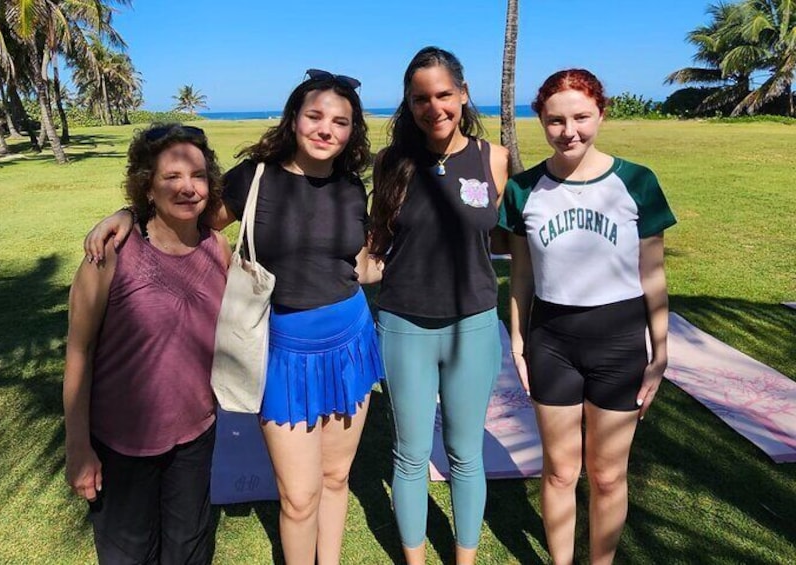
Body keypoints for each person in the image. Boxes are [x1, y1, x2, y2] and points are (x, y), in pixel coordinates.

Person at [82, 70, 384, 565]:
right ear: (294, 119)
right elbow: (188, 212)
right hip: (283, 352)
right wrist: (126, 214)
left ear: (353, 131)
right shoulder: (255, 178)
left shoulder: (352, 187)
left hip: (350, 342)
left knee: (335, 479)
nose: (326, 128)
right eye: (315, 116)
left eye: (341, 121)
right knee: (299, 496)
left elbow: (359, 263)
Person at [498, 69, 676, 565]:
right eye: (555, 120)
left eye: (580, 117)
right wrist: (518, 339)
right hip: (552, 342)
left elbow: (654, 275)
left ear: (602, 112)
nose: (568, 130)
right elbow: (522, 277)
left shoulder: (636, 182)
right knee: (557, 472)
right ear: (541, 120)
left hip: (619, 342)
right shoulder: (523, 190)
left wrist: (659, 353)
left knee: (607, 475)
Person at [64, 123, 231, 564]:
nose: (187, 187)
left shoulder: (219, 248)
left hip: (195, 435)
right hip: (121, 442)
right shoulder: (111, 254)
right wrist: (78, 446)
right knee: (128, 555)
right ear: (147, 186)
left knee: (189, 549)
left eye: (197, 176)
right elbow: (78, 351)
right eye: (171, 177)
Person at [369, 46, 510, 565]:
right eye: (421, 98)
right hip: (404, 324)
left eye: (444, 95)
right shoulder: (391, 164)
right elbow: (376, 245)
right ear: (409, 104)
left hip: (473, 324)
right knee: (408, 457)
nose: (434, 107)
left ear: (463, 94)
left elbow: (506, 238)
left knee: (465, 454)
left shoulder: (493, 158)